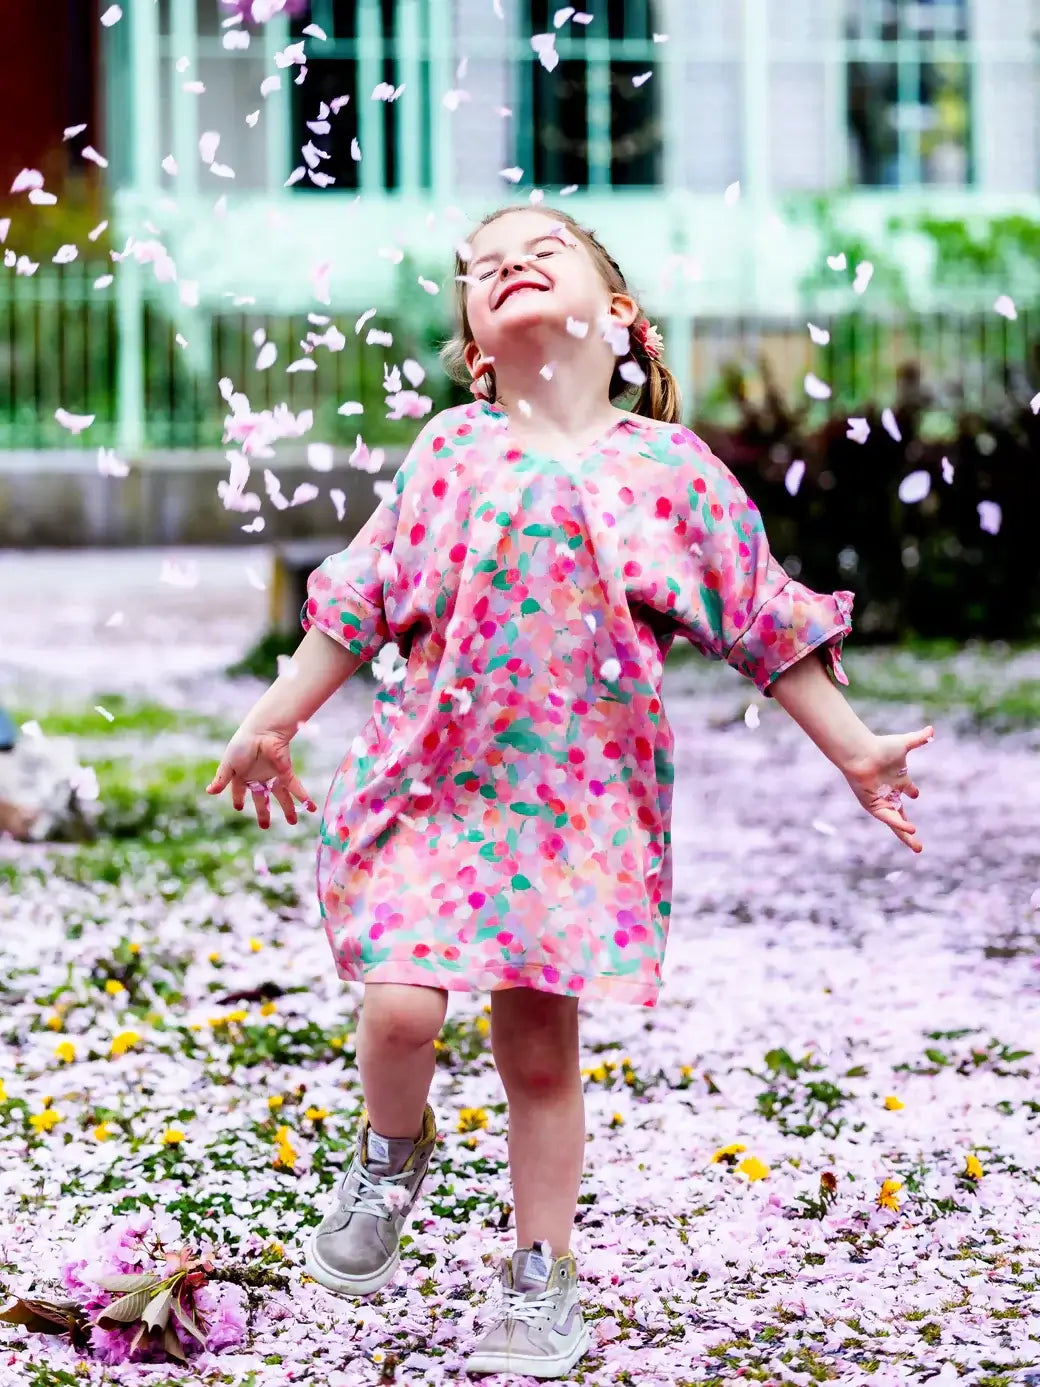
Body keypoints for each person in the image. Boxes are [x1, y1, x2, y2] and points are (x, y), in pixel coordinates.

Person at [206, 204, 935, 1379]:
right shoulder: (450, 450)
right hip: (425, 788)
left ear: (622, 318)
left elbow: (758, 614)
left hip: (573, 815)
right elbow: (365, 595)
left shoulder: (668, 474)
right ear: (474, 351)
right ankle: (394, 1149)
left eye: (541, 249)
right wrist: (276, 714)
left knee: (538, 1057)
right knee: (398, 1011)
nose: (508, 263)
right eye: (483, 266)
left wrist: (851, 747)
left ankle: (542, 1275)